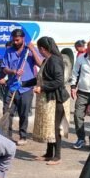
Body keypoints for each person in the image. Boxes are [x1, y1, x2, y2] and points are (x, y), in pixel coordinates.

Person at [25, 37, 69, 165]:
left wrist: (42, 87)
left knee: (56, 127)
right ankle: (49, 154)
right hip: (49, 99)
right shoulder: (47, 60)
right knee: (49, 127)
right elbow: (39, 78)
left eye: (39, 49)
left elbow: (59, 81)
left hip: (57, 99)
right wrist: (23, 83)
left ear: (42, 49)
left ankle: (57, 156)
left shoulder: (54, 60)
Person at [1, 29, 40, 144]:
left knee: (24, 113)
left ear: (23, 39)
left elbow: (40, 63)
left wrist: (33, 50)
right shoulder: (9, 51)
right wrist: (13, 71)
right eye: (13, 40)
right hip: (12, 86)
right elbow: (4, 68)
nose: (15, 42)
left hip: (26, 88)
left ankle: (23, 137)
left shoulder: (30, 50)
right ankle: (7, 136)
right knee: (7, 111)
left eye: (17, 40)